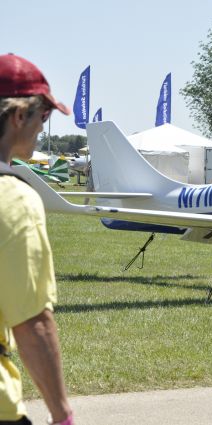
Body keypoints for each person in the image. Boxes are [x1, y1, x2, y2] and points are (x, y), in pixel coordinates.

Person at [0, 54, 74, 425]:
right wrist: (62, 414)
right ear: (18, 116)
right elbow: (32, 323)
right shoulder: (14, 198)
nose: (42, 129)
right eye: (42, 116)